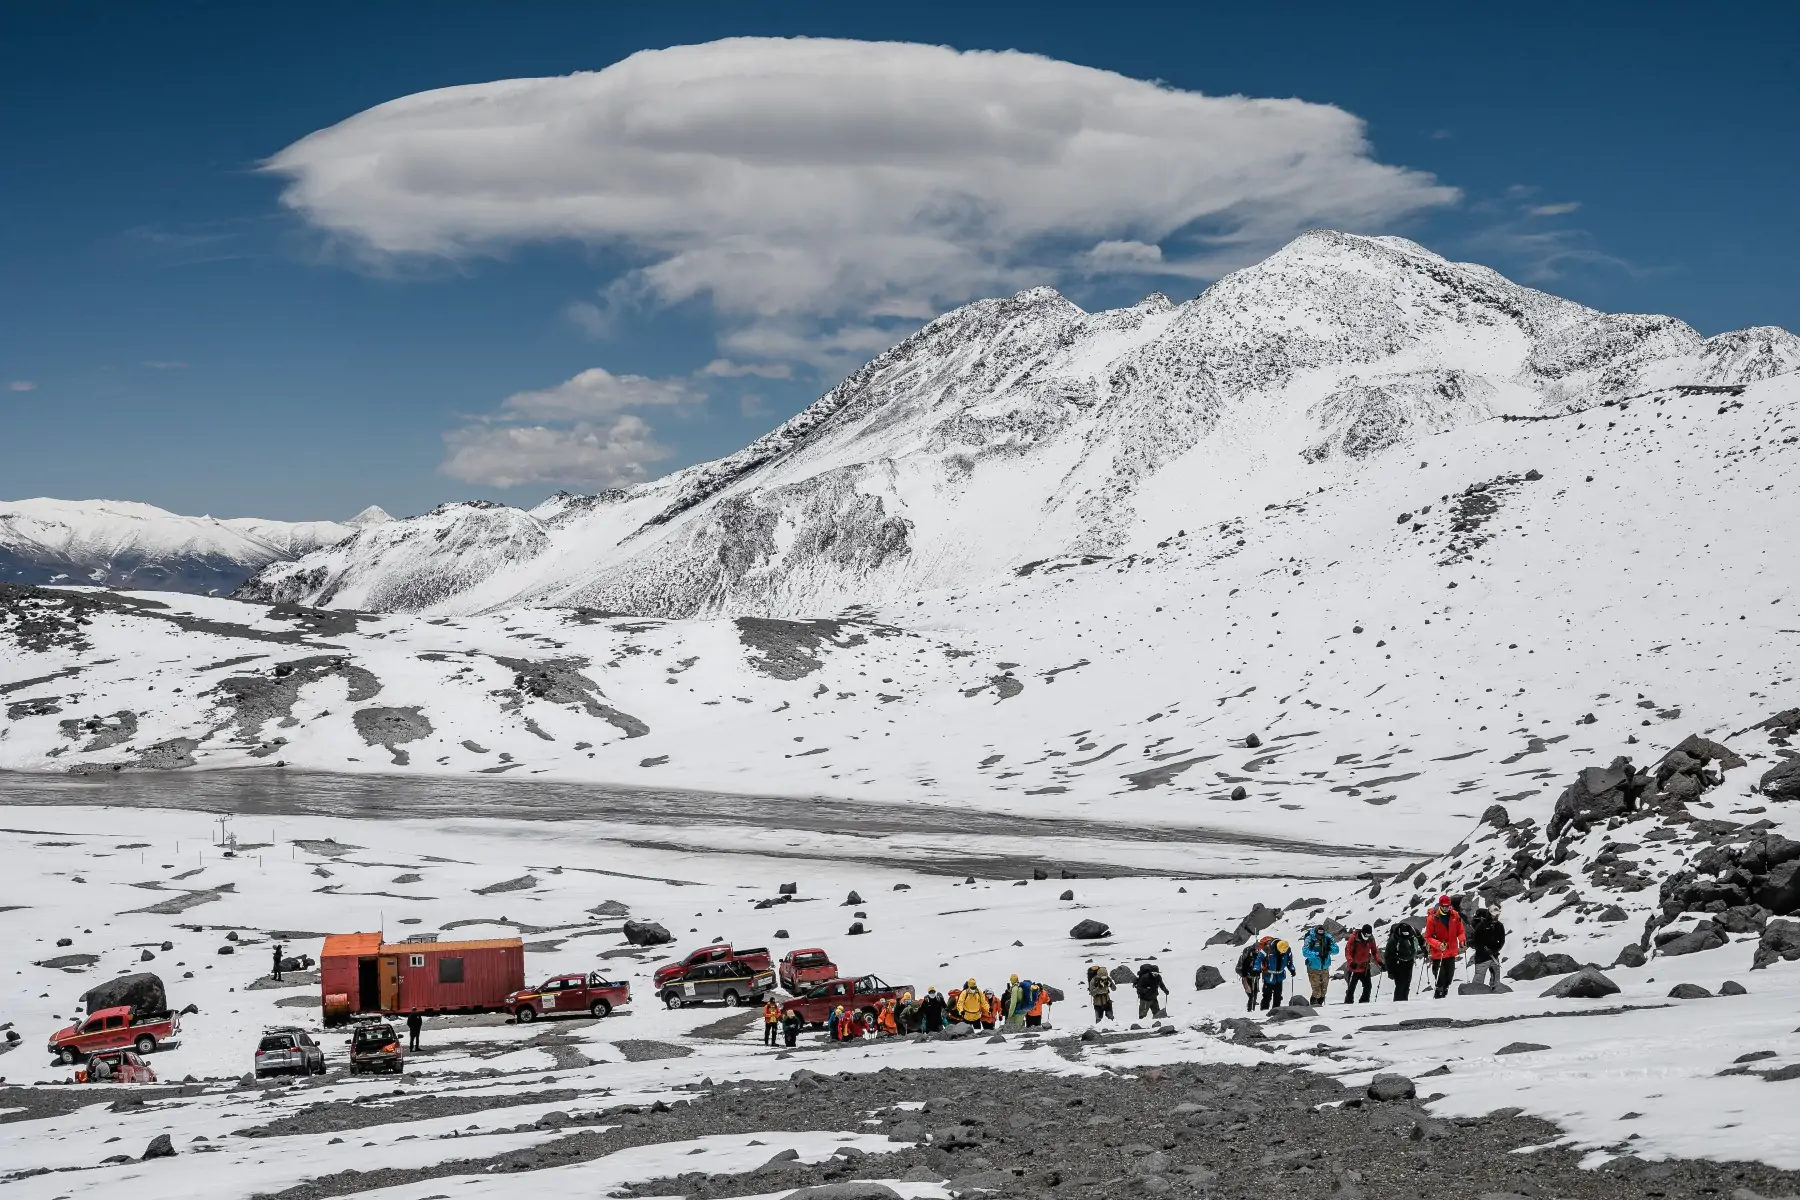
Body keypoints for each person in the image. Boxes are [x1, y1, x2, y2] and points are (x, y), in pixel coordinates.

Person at [1423, 895, 1467, 999]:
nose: (1446, 908)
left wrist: (1462, 941)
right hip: (1439, 953)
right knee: (1440, 977)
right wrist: (1438, 944)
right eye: (1444, 906)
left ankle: (1444, 994)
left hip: (1451, 951)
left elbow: (1460, 931)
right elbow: (1428, 937)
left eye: (1448, 906)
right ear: (1440, 905)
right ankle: (1438, 995)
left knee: (1449, 977)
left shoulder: (1455, 915)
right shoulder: (1432, 918)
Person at [1384, 920, 1424, 1002]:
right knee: (1400, 985)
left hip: (1410, 961)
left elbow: (1421, 941)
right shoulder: (1394, 939)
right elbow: (1388, 956)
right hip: (1398, 962)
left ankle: (1404, 1001)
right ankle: (1398, 1003)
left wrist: (1425, 950)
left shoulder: (1414, 931)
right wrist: (1390, 971)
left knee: (1407, 983)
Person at [1469, 904, 1506, 989]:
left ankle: (1494, 993)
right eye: (1494, 915)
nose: (1496, 917)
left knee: (1496, 976)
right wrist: (1484, 950)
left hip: (1494, 956)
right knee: (1479, 978)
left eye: (1497, 915)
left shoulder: (1500, 926)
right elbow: (1476, 941)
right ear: (1489, 915)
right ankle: (1474, 994)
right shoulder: (1481, 926)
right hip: (1481, 958)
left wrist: (1495, 950)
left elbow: (1502, 941)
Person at [1343, 925, 1382, 1003]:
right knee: (1351, 988)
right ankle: (1348, 1003)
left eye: (1369, 935)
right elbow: (1348, 952)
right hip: (1354, 968)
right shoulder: (1353, 938)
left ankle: (1364, 1002)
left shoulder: (1371, 939)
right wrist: (1351, 962)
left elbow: (1374, 952)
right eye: (1366, 934)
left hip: (1365, 967)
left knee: (1368, 987)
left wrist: (1380, 962)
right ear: (1362, 932)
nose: (1367, 936)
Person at [1301, 925, 1339, 1005]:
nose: (1320, 937)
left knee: (1324, 991)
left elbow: (1336, 950)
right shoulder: (1309, 939)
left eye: (1321, 935)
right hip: (1313, 968)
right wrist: (1317, 954)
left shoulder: (1328, 938)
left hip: (1325, 967)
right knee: (1317, 991)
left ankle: (1320, 1007)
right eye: (1318, 935)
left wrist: (1329, 948)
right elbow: (1305, 952)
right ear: (1315, 933)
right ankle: (1313, 1007)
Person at [1255, 937, 1296, 1010]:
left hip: (1279, 977)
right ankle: (1264, 1011)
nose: (1282, 953)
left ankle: (1276, 1011)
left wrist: (1292, 969)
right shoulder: (1267, 949)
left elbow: (1289, 961)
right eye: (1281, 951)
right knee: (1267, 996)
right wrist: (1256, 969)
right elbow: (1258, 959)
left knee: (1278, 996)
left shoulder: (1287, 949)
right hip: (1268, 976)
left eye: (1283, 952)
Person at [1235, 941, 1262, 1013]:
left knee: (1253, 991)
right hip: (1248, 976)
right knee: (1252, 992)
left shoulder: (1251, 955)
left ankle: (1251, 1004)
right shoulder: (1250, 956)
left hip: (1249, 975)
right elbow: (1245, 967)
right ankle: (1250, 1007)